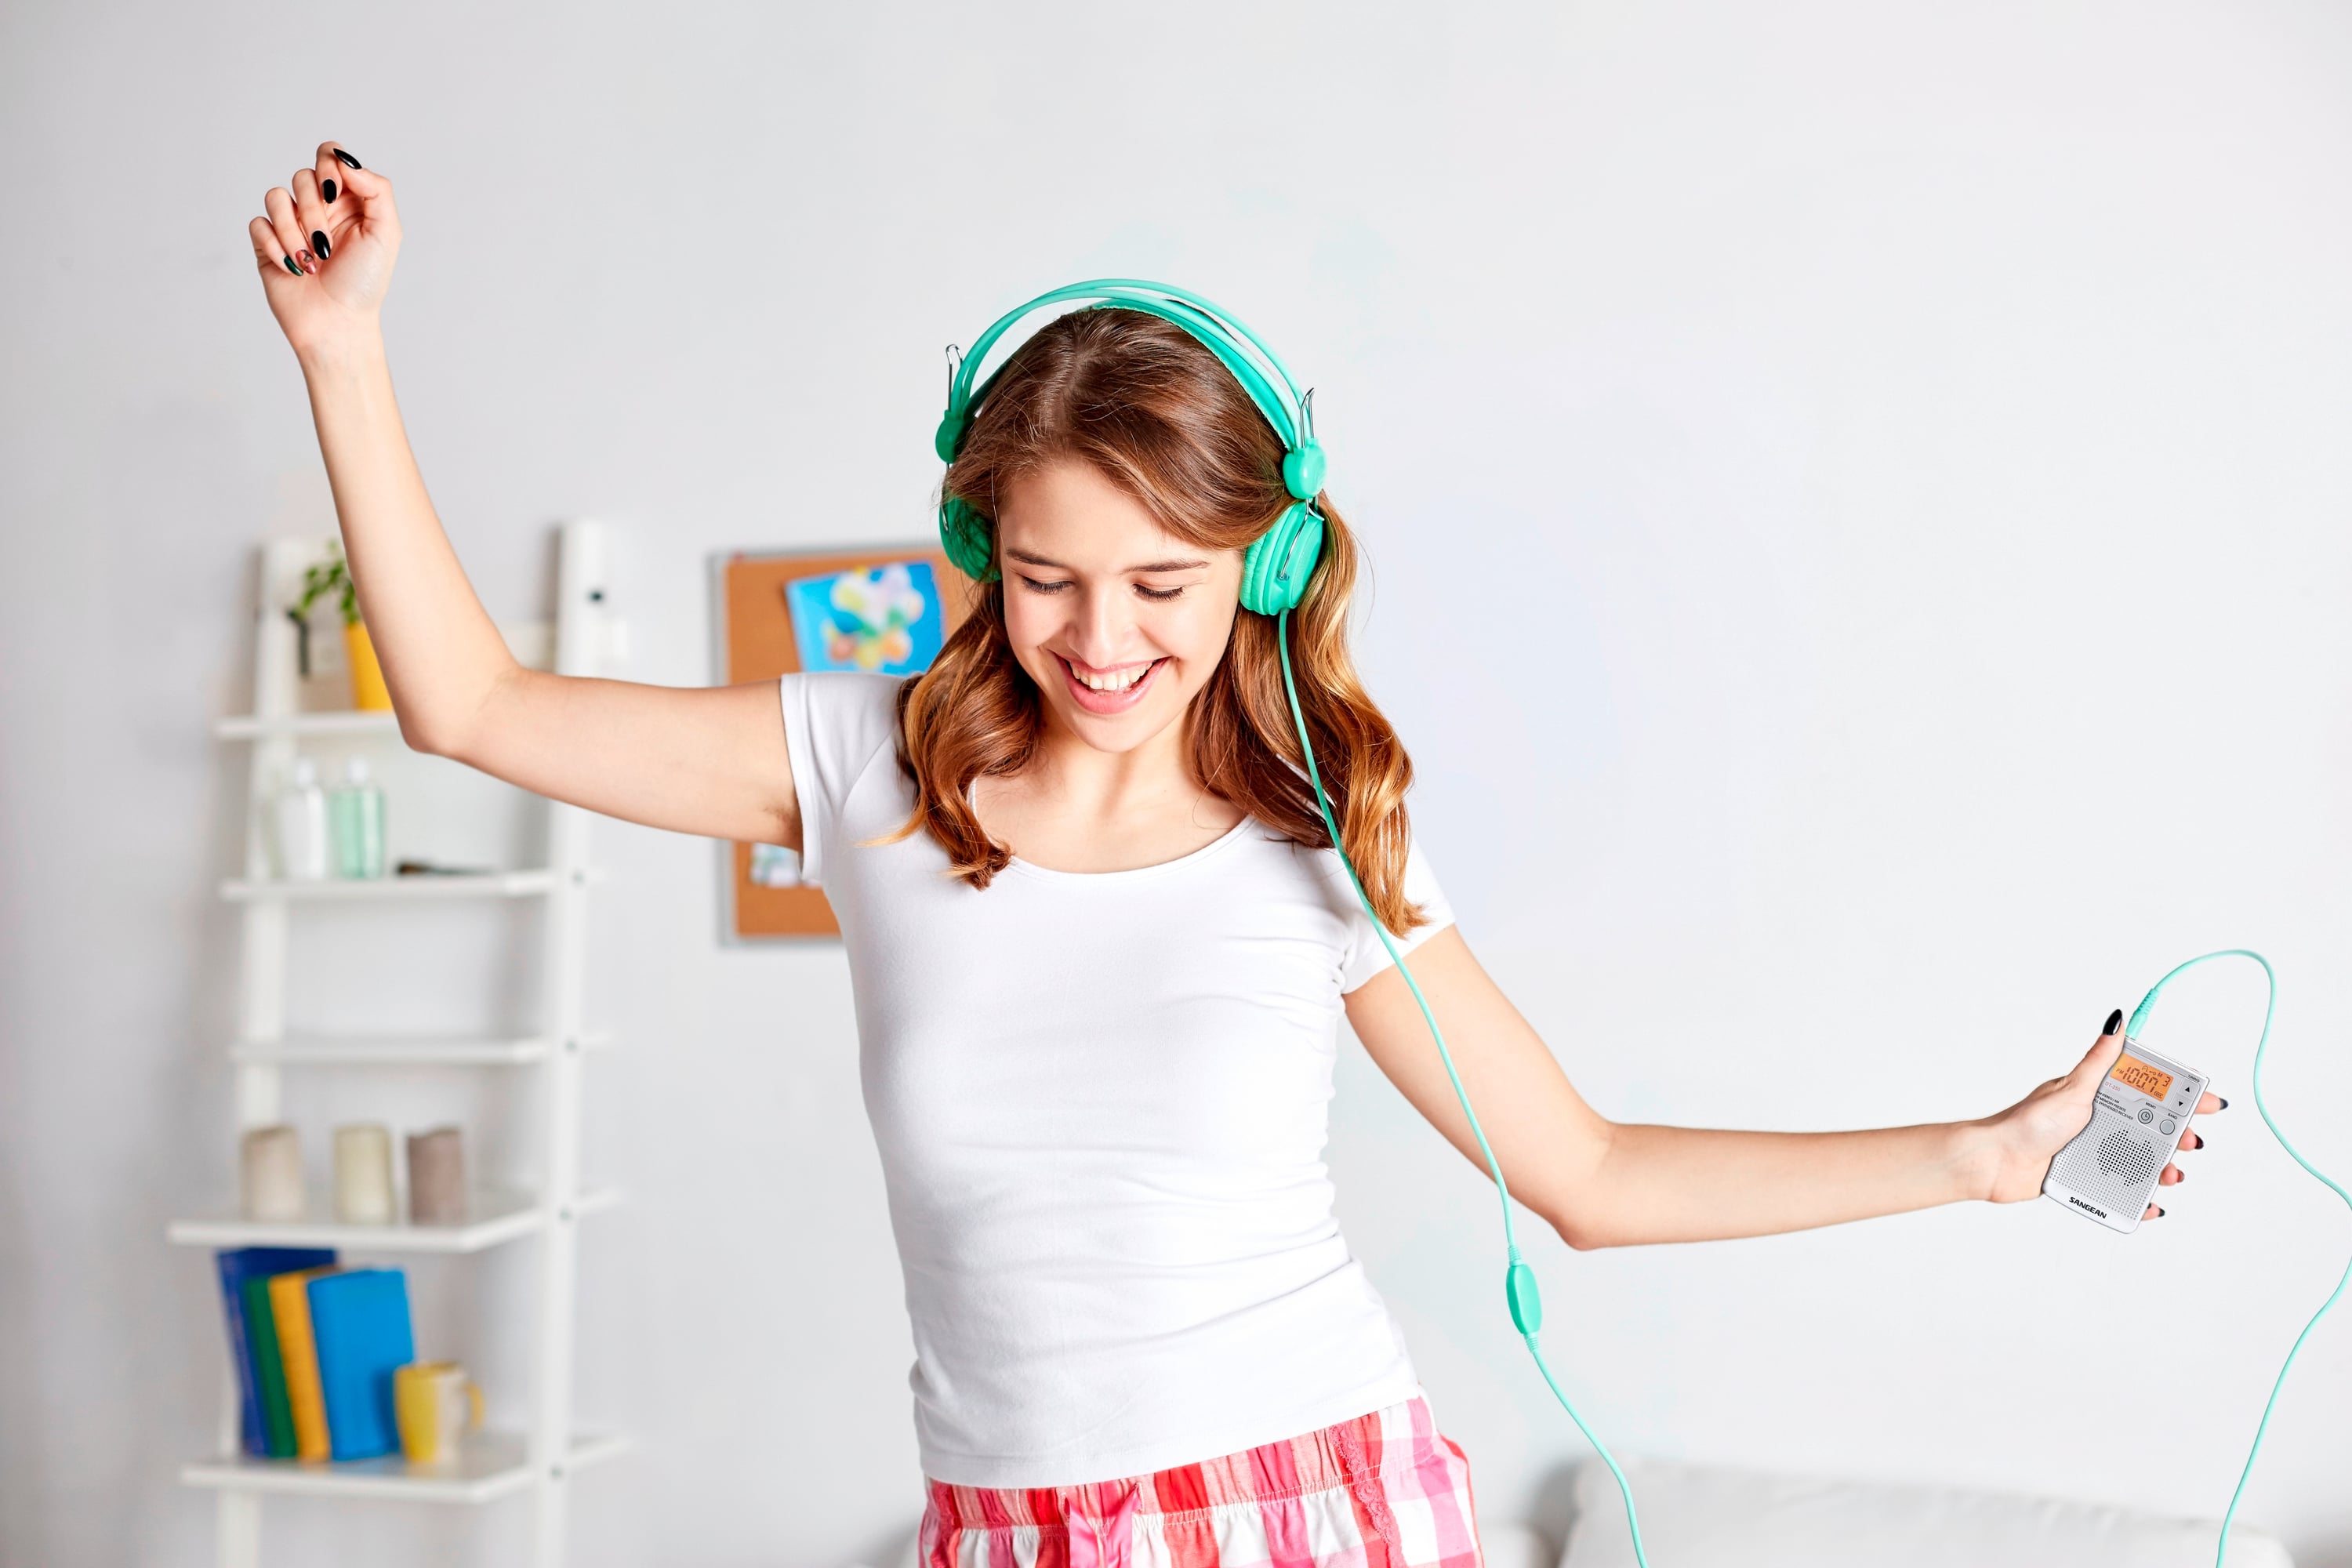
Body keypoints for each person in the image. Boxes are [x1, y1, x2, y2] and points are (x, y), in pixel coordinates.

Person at [246, 143, 2223, 1568]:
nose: (1102, 639)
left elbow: (1592, 1177)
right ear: (975, 560)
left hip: (1304, 1507)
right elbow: (474, 707)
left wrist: (1980, 1156)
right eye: (1044, 579)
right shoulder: (859, 760)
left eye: (1164, 583)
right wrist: (345, 349)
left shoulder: (1321, 843)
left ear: (1265, 563)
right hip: (1001, 1527)